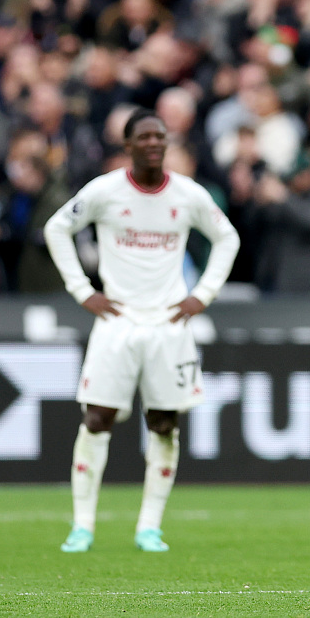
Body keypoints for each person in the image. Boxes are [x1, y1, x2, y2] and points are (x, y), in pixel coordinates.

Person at [44, 109, 240, 554]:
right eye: (144, 137)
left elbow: (227, 237)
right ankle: (83, 525)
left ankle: (149, 526)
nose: (154, 143)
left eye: (160, 136)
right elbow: (57, 227)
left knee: (164, 422)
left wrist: (202, 294)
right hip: (117, 321)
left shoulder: (188, 194)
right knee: (96, 418)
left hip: (169, 324)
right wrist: (82, 290)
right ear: (128, 145)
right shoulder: (105, 190)